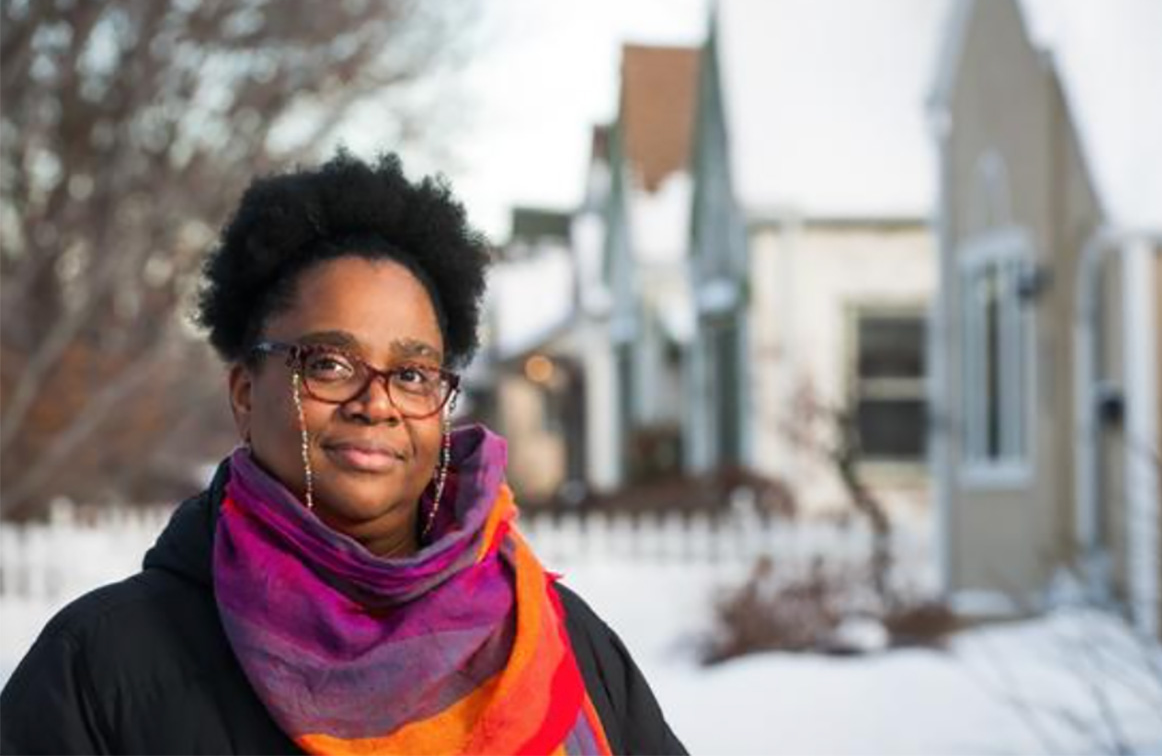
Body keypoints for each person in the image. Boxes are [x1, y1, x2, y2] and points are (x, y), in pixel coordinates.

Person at [0, 152, 686, 755]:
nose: (377, 402)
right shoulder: (101, 669)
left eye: (414, 374)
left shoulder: (559, 643)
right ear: (244, 391)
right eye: (328, 364)